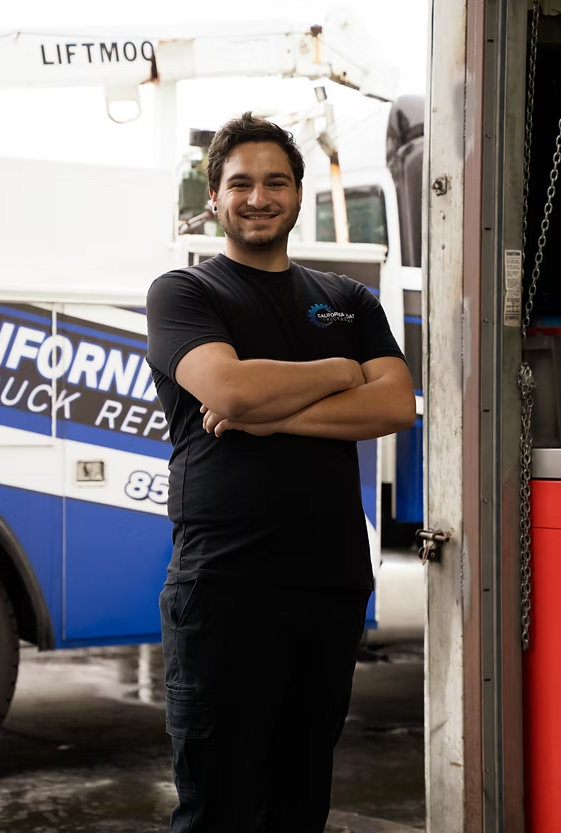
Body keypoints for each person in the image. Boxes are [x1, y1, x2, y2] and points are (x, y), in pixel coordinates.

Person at [146, 112, 416, 833]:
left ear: (298, 194)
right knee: (218, 808)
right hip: (225, 585)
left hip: (326, 585)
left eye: (274, 182)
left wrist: (274, 414)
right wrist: (334, 371)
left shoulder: (348, 299)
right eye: (240, 183)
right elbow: (228, 390)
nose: (257, 197)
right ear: (215, 197)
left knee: (299, 804)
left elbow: (393, 403)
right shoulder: (185, 294)